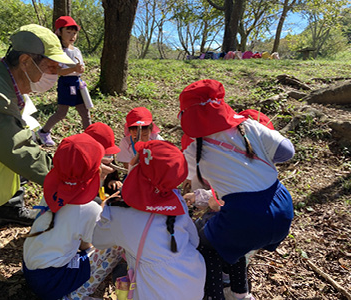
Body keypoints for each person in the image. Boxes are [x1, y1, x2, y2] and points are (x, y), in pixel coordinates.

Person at [0, 24, 75, 263]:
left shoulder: (3, 81)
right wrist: (72, 177)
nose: (55, 73)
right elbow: (17, 150)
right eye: (50, 66)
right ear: (26, 61)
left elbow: (22, 141)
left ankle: (4, 208)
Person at [178, 79, 295, 300]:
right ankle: (240, 294)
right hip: (281, 205)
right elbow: (287, 152)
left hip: (244, 216)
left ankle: (214, 297)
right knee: (235, 244)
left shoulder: (195, 147)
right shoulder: (249, 126)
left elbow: (200, 187)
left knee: (205, 246)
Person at [92, 140, 206, 300]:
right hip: (193, 279)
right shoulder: (176, 200)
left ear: (136, 169)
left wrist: (103, 208)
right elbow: (193, 240)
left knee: (120, 270)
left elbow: (97, 240)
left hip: (153, 289)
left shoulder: (117, 211)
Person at [23, 133, 122, 300]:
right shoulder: (88, 209)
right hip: (52, 281)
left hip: (31, 270)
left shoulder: (52, 192)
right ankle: (75, 295)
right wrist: (103, 213)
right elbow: (92, 244)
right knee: (115, 245)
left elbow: (81, 239)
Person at [37, 16, 91, 146]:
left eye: (74, 33)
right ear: (59, 32)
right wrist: (74, 68)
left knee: (85, 112)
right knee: (62, 112)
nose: (72, 36)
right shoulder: (58, 51)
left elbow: (80, 68)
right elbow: (58, 72)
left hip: (78, 83)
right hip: (65, 84)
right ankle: (44, 131)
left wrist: (81, 69)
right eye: (68, 32)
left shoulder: (76, 50)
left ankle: (90, 138)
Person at [84, 122, 123, 201]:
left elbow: (113, 180)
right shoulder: (81, 168)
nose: (110, 159)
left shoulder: (110, 165)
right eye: (106, 155)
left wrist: (113, 182)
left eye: (111, 154)